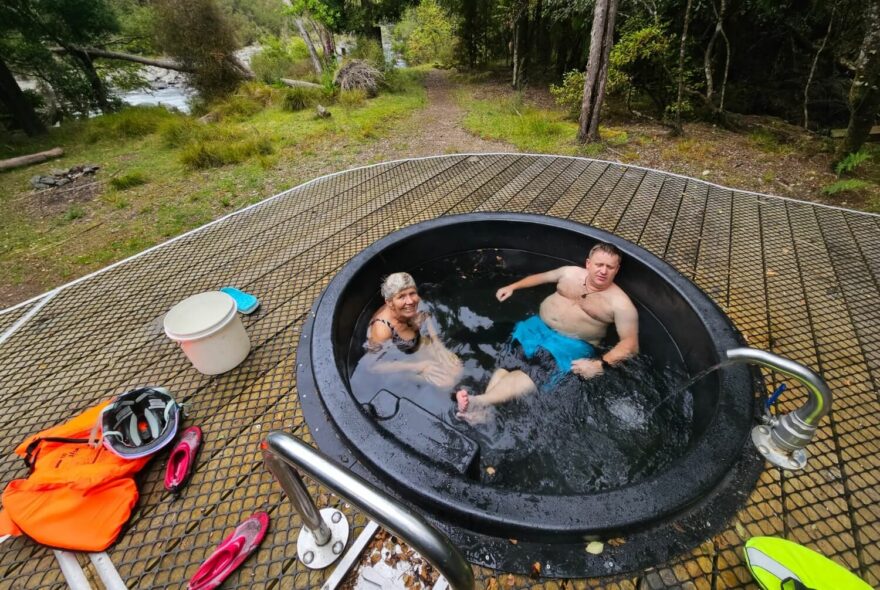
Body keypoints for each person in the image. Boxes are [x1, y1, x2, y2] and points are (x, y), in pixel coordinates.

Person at [456, 242, 639, 421]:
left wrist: (600, 364)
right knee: (508, 364)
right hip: (536, 328)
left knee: (531, 373)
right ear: (588, 263)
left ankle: (479, 401)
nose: (603, 271)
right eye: (599, 264)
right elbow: (540, 278)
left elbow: (630, 345)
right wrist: (513, 287)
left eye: (610, 267)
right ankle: (483, 412)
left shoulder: (620, 303)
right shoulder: (569, 273)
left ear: (617, 269)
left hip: (570, 345)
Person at [366, 272, 462, 389]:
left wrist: (438, 344)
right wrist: (418, 366)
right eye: (401, 296)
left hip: (417, 344)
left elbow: (425, 317)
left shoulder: (413, 303)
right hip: (402, 361)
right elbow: (373, 367)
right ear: (390, 302)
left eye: (412, 293)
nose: (410, 301)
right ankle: (406, 378)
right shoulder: (382, 330)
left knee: (457, 368)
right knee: (447, 383)